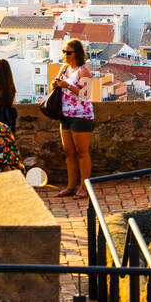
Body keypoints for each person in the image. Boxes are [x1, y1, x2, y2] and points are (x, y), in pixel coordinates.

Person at [53, 38, 94, 197]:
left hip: (81, 115)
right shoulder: (64, 69)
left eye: (68, 52)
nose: (65, 55)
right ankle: (70, 186)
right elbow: (57, 86)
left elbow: (86, 94)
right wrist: (55, 85)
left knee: (82, 152)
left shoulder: (84, 71)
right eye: (63, 52)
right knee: (69, 152)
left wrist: (68, 86)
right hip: (65, 114)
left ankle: (84, 187)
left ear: (76, 54)